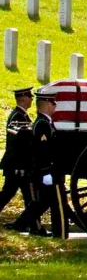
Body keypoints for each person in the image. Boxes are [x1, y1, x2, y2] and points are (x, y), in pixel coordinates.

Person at [12, 91, 68, 239]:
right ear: (47, 105)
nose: (55, 105)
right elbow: (43, 151)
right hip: (47, 172)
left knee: (42, 203)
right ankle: (60, 233)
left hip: (48, 172)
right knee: (56, 204)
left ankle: (18, 225)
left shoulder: (45, 122)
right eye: (53, 103)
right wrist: (47, 172)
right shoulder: (42, 124)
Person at [1, 88, 36, 230]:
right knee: (26, 194)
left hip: (16, 164)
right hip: (17, 165)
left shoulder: (21, 115)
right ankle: (30, 224)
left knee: (11, 192)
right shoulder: (18, 116)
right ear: (23, 98)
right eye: (29, 97)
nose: (31, 99)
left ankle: (27, 223)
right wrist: (21, 166)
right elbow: (18, 145)